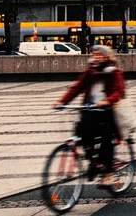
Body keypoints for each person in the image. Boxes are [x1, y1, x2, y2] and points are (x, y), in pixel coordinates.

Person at [53, 45, 126, 184]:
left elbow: (118, 91)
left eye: (100, 55)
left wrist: (107, 101)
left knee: (106, 139)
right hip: (91, 110)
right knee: (81, 132)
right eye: (95, 54)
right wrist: (62, 102)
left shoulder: (114, 72)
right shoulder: (90, 72)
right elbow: (77, 88)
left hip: (108, 112)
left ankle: (108, 173)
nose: (96, 57)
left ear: (106, 57)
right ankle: (93, 160)